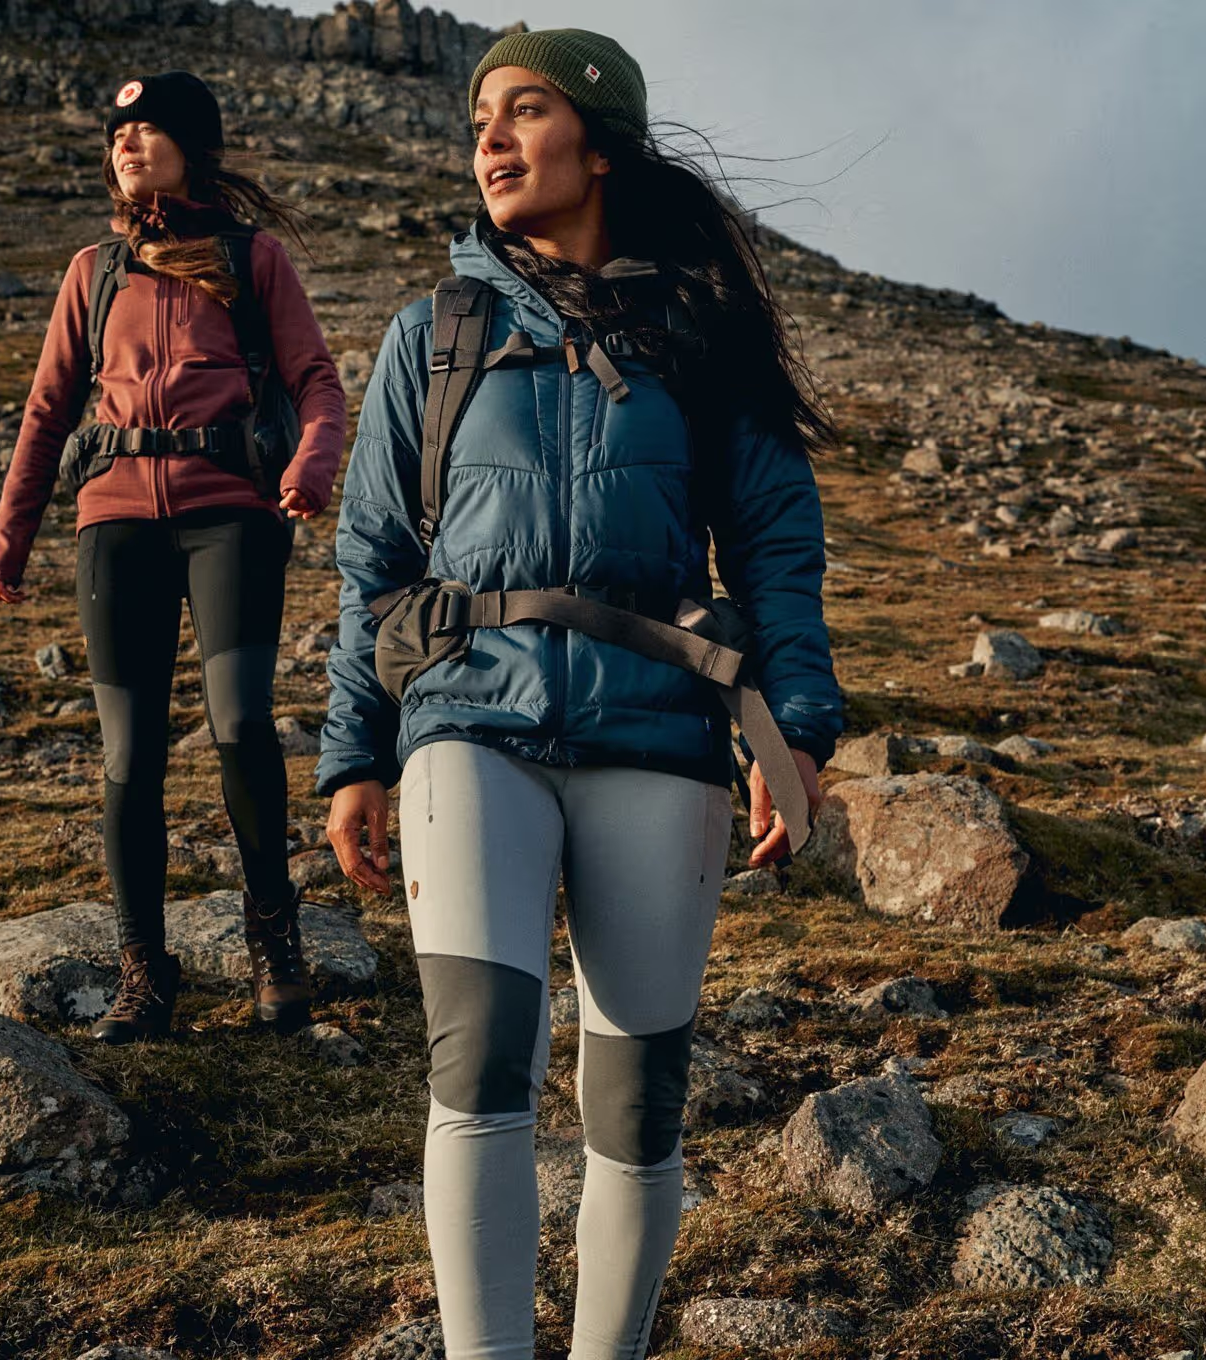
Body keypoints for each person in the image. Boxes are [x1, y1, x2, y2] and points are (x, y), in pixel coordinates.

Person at [317, 29, 842, 1360]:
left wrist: (802, 728)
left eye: (525, 110)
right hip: (467, 718)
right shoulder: (428, 337)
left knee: (638, 1099)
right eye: (480, 114)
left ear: (599, 143)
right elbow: (373, 557)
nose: (489, 139)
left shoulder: (697, 337)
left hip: (659, 733)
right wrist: (354, 756)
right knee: (481, 1058)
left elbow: (777, 537)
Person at [0, 70, 348, 1043]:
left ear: (194, 144)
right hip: (113, 527)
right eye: (120, 132)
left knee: (237, 724)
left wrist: (310, 467)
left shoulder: (250, 257)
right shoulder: (91, 272)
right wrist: (12, 531)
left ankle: (276, 942)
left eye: (150, 129)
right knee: (129, 753)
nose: (130, 143)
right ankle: (146, 972)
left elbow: (316, 380)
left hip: (229, 514)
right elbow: (49, 407)